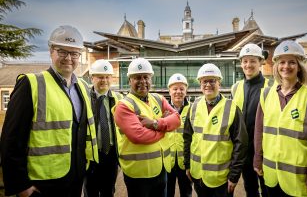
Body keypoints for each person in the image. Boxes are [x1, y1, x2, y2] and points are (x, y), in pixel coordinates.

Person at [0, 25, 98, 197]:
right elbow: (11, 139)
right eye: (62, 51)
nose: (69, 58)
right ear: (51, 51)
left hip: (75, 178)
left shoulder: (83, 87)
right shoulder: (31, 84)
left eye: (74, 53)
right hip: (42, 185)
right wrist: (22, 187)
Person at [253, 40, 307, 197]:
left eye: (292, 62)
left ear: (299, 67)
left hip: (297, 179)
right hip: (271, 175)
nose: (286, 66)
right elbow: (259, 132)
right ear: (276, 66)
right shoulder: (266, 95)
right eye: (282, 62)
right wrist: (257, 160)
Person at [113, 57, 181, 197]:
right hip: (139, 173)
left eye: (146, 77)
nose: (143, 81)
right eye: (137, 77)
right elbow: (138, 136)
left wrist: (155, 123)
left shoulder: (158, 99)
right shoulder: (124, 105)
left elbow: (177, 120)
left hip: (161, 169)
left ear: (151, 79)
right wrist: (164, 129)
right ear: (130, 80)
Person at [183, 63, 248, 197]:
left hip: (221, 179)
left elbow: (241, 144)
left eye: (212, 81)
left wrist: (234, 176)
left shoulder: (231, 108)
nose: (208, 85)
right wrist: (188, 165)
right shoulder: (194, 107)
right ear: (200, 84)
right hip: (198, 175)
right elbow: (187, 138)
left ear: (219, 83)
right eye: (204, 81)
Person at [231, 43, 271, 197]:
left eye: (253, 61)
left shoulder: (271, 87)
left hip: (265, 151)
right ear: (241, 63)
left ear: (261, 62)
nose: (248, 65)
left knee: (267, 190)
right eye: (245, 61)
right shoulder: (236, 87)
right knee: (250, 189)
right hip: (245, 153)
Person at [83, 59, 123, 197]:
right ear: (92, 77)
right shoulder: (84, 98)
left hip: (110, 155)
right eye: (100, 77)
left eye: (107, 77)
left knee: (108, 191)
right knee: (90, 191)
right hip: (91, 155)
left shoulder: (119, 98)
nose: (104, 80)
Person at [166, 73, 193, 197]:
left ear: (186, 90)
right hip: (167, 162)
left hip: (186, 162)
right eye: (175, 88)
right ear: (169, 90)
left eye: (182, 89)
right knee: (167, 193)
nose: (178, 92)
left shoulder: (193, 109)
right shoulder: (162, 109)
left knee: (186, 193)